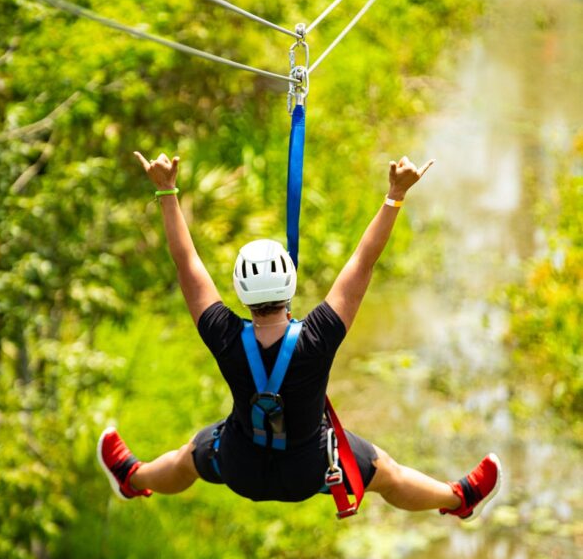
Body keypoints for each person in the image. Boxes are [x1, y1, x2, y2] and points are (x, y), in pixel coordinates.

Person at [97, 150, 501, 522]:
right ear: (290, 283)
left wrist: (166, 190)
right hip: (311, 471)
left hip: (240, 467)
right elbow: (364, 260)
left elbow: (186, 262)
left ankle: (133, 478)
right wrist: (394, 195)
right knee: (387, 473)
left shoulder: (223, 334)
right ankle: (458, 498)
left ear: (239, 291)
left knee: (189, 458)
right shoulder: (319, 336)